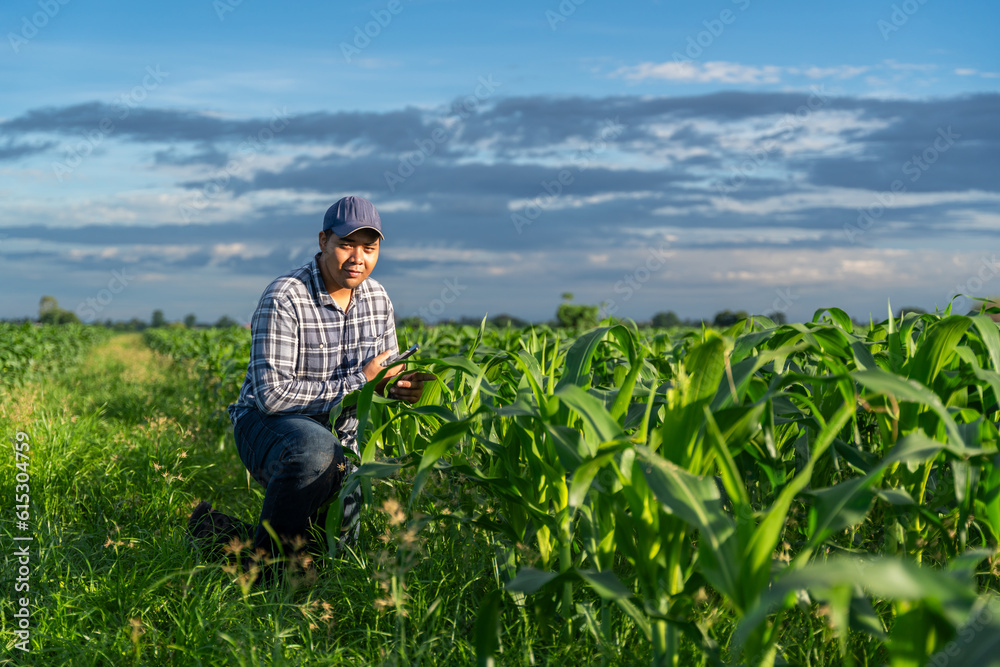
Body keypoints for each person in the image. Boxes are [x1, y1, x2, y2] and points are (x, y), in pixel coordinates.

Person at [226, 195, 434, 578]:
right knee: (316, 449)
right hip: (268, 425)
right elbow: (272, 396)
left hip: (341, 437)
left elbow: (377, 381)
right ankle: (267, 582)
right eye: (346, 245)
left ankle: (216, 533)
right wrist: (362, 382)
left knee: (327, 555)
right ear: (323, 241)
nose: (358, 258)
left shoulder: (378, 298)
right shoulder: (285, 296)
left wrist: (398, 388)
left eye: (369, 248)